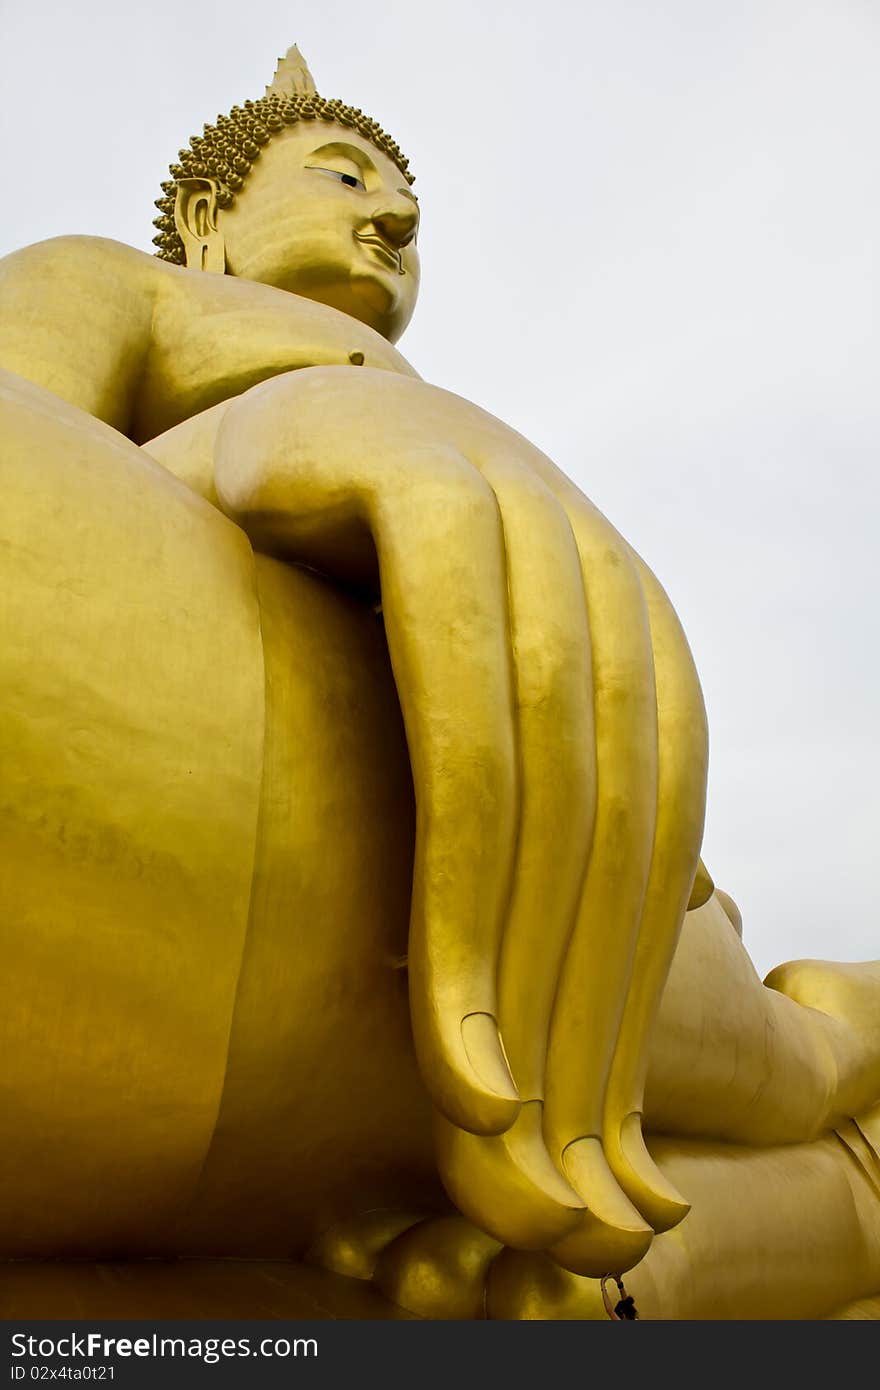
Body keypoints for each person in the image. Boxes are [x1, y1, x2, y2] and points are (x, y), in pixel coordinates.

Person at [0, 48, 877, 1320]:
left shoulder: (426, 415)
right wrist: (251, 430)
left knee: (790, 1072)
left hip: (518, 833)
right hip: (233, 788)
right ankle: (735, 1234)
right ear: (207, 221)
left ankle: (831, 1100)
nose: (397, 219)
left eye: (408, 208)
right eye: (344, 174)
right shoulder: (111, 283)